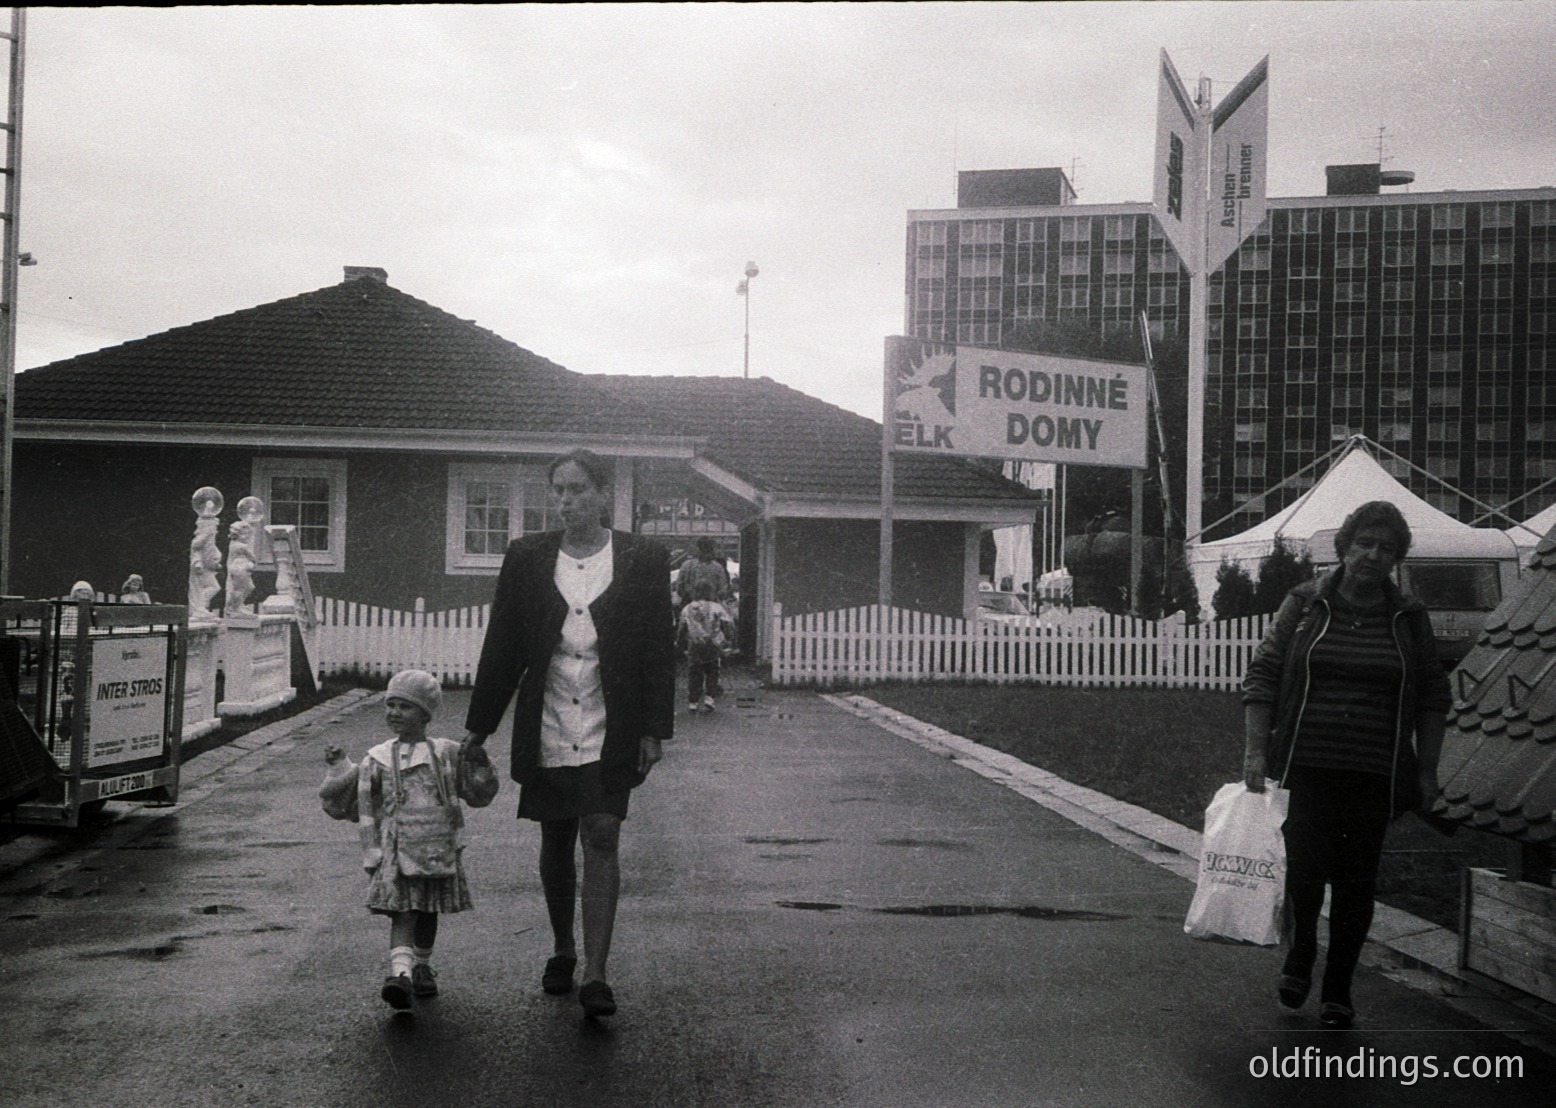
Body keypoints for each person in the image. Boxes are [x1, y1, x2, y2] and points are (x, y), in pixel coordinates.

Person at [462, 448, 675, 1019]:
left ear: (604, 494)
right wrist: (479, 727)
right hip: (550, 712)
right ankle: (563, 948)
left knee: (602, 830)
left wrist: (656, 730)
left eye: (579, 489)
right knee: (556, 836)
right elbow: (503, 645)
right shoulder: (527, 556)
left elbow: (659, 646)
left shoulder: (642, 557)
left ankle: (597, 974)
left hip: (612, 716)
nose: (566, 500)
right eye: (558, 490)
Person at [1241, 501, 1450, 1030]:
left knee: (1357, 882)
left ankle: (1338, 988)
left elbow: (1431, 695)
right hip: (1305, 766)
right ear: (1344, 547)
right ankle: (1302, 952)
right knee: (1306, 874)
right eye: (1364, 544)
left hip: (1375, 773)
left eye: (1386, 548)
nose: (1373, 556)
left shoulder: (1408, 617)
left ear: (1396, 558)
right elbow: (1263, 674)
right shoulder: (1305, 603)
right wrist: (1255, 750)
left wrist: (1426, 771)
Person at [320, 669, 499, 1011]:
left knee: (428, 911)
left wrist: (479, 762)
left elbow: (476, 792)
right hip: (396, 850)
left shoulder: (445, 753)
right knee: (402, 912)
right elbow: (351, 798)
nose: (395, 713)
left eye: (406, 707)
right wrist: (339, 765)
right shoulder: (378, 758)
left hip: (436, 849)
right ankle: (399, 975)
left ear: (426, 714)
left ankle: (421, 965)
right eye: (391, 705)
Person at [678, 579, 735, 713]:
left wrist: (680, 643)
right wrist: (729, 639)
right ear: (710, 592)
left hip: (695, 644)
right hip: (712, 643)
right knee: (712, 671)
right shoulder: (716, 607)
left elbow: (682, 627)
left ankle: (693, 701)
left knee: (694, 672)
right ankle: (709, 697)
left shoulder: (687, 608)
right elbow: (728, 623)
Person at [676, 536, 730, 607]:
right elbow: (723, 590)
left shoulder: (687, 566)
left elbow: (679, 588)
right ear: (712, 550)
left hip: (689, 605)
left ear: (697, 549)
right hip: (712, 606)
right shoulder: (718, 568)